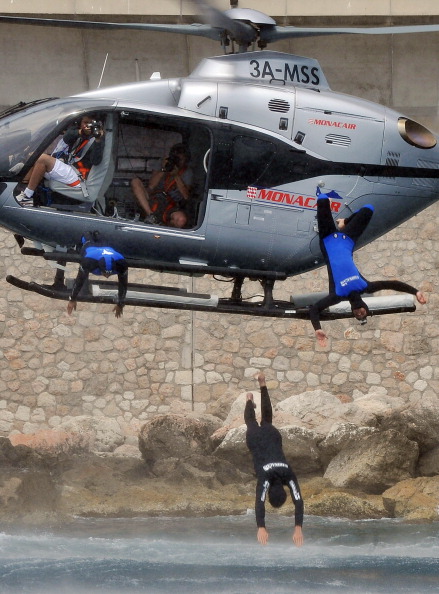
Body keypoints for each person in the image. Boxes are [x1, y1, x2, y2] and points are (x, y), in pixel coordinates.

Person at [309, 188, 427, 347]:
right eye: (362, 313)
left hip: (328, 239)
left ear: (352, 310)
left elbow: (315, 309)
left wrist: (317, 329)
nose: (359, 312)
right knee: (368, 209)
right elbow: (392, 284)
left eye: (356, 315)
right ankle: (345, 222)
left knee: (323, 198)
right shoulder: (365, 286)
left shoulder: (336, 295)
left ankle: (330, 209)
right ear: (365, 306)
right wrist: (416, 291)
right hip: (347, 240)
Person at [245, 372, 304, 547]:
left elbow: (298, 500)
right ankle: (249, 400)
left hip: (273, 436)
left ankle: (262, 385)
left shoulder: (288, 473)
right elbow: (259, 502)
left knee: (267, 420)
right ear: (270, 490)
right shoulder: (265, 478)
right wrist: (261, 527)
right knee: (250, 423)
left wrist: (298, 527)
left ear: (283, 490)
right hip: (256, 440)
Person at [15, 115, 105, 207]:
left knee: (42, 159)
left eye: (91, 123)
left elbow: (96, 161)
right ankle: (21, 189)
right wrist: (81, 132)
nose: (88, 125)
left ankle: (27, 196)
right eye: (85, 122)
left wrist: (98, 141)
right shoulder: (79, 133)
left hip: (79, 177)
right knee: (34, 156)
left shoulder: (96, 139)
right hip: (70, 168)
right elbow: (67, 137)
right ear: (80, 123)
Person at [66, 232, 128, 319]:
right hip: (90, 248)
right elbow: (79, 280)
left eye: (109, 274)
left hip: (105, 247)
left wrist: (120, 303)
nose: (106, 276)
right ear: (99, 267)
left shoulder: (121, 264)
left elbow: (123, 284)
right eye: (105, 273)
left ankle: (97, 233)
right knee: (86, 237)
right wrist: (72, 299)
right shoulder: (89, 262)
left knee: (99, 235)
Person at [130, 143, 192, 228]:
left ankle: (165, 225)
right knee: (135, 181)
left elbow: (186, 196)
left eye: (180, 160)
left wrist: (176, 175)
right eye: (176, 159)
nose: (178, 162)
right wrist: (164, 169)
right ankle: (151, 216)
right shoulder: (163, 164)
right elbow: (151, 186)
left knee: (181, 220)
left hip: (172, 204)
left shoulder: (187, 172)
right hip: (153, 199)